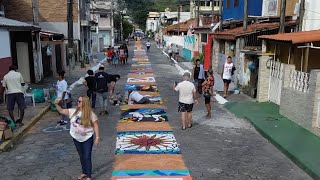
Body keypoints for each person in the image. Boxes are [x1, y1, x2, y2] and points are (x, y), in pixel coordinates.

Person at [54, 96, 100, 180]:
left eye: (80, 101)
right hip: (76, 138)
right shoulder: (73, 111)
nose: (78, 102)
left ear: (84, 103)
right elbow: (61, 111)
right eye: (78, 101)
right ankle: (84, 172)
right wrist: (56, 104)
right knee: (81, 156)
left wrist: (97, 137)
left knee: (87, 156)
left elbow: (96, 125)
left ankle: (89, 176)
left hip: (87, 138)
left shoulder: (90, 114)